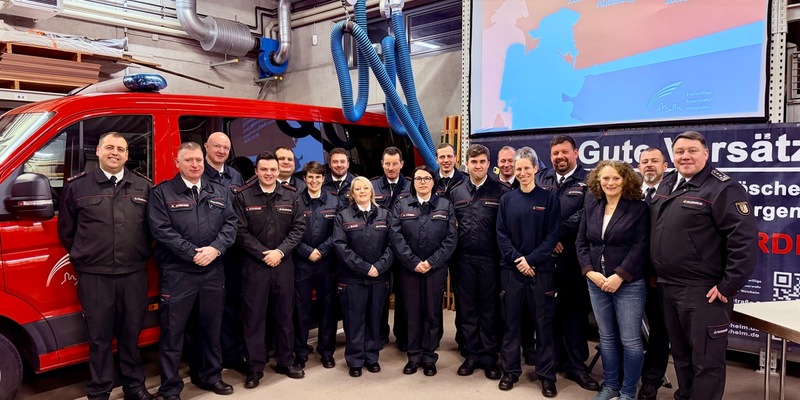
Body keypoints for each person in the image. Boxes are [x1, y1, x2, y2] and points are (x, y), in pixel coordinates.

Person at [650, 131, 757, 400]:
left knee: (706, 362)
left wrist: (728, 286)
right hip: (667, 287)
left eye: (692, 151)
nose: (685, 156)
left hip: (703, 292)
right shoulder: (667, 183)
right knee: (681, 355)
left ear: (706, 154)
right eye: (679, 151)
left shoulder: (723, 188)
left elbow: (743, 242)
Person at [57, 132, 155, 400]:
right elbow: (66, 231)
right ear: (98, 151)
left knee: (131, 335)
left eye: (121, 149)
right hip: (95, 277)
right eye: (110, 147)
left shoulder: (143, 187)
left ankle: (134, 387)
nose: (115, 153)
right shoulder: (78, 187)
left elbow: (152, 231)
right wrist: (87, 257)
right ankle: (100, 390)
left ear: (127, 155)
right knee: (99, 338)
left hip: (133, 275)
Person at [148, 142, 238, 399]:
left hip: (212, 271)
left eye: (198, 160)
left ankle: (211, 376)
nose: (195, 164)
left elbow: (231, 224)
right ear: (177, 163)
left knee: (211, 328)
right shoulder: (162, 193)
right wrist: (193, 253)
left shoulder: (220, 192)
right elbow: (161, 230)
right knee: (173, 333)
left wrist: (215, 249)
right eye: (188, 160)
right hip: (178, 273)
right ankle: (170, 388)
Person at [576, 160, 650, 400]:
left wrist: (620, 275)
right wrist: (589, 271)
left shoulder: (639, 208)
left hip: (628, 284)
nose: (610, 183)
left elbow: (641, 246)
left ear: (625, 180)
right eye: (605, 178)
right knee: (606, 338)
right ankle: (610, 386)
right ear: (598, 181)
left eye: (616, 178)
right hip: (596, 281)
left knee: (630, 340)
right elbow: (581, 243)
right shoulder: (592, 207)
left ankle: (628, 392)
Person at [234, 151, 306, 388]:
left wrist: (280, 252)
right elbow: (239, 231)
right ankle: (255, 368)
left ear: (278, 171)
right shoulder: (243, 196)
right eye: (264, 169)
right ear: (256, 171)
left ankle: (286, 361)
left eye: (273, 169)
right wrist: (264, 253)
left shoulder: (291, 196)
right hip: (254, 266)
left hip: (283, 265)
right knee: (254, 318)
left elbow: (298, 228)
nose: (269, 173)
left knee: (284, 315)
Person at [495, 147, 561, 397]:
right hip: (512, 272)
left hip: (541, 272)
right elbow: (501, 235)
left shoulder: (549, 199)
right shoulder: (507, 200)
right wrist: (518, 260)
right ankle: (510, 371)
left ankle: (547, 376)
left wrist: (531, 260)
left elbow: (552, 235)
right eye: (518, 168)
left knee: (543, 325)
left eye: (526, 168)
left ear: (535, 169)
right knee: (511, 324)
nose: (522, 173)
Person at [536, 135, 598, 391]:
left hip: (574, 258)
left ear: (576, 153)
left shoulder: (589, 180)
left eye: (564, 152)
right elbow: (532, 210)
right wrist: (549, 240)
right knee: (547, 315)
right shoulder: (542, 178)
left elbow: (587, 213)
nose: (559, 157)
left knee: (574, 314)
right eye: (555, 154)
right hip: (546, 259)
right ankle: (550, 363)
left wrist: (556, 234)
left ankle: (576, 367)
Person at [449, 144, 509, 380]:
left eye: (482, 161)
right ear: (466, 164)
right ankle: (472, 354)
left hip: (490, 259)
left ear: (489, 163)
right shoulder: (456, 192)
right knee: (467, 308)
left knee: (489, 309)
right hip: (463, 260)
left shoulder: (501, 191)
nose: (478, 166)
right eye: (474, 162)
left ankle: (489, 356)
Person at [390, 165, 457, 376]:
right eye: (418, 179)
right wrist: (413, 262)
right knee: (411, 312)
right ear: (413, 182)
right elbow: (396, 236)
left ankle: (429, 357)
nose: (422, 182)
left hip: (435, 269)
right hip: (409, 269)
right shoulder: (401, 205)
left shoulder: (445, 205)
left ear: (433, 182)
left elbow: (451, 238)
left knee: (432, 311)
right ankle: (413, 356)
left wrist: (431, 262)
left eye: (427, 178)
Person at [333, 176, 394, 377]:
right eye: (357, 189)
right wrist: (365, 268)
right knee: (354, 320)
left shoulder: (385, 215)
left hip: (379, 277)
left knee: (375, 319)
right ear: (352, 193)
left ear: (371, 192)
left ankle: (372, 357)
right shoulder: (343, 216)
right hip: (352, 278)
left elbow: (393, 244)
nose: (361, 192)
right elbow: (340, 246)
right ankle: (355, 360)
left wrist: (380, 266)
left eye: (365, 188)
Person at [201, 132, 246, 373]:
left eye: (225, 147)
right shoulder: (198, 173)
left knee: (231, 304)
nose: (221, 151)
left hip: (233, 251)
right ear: (206, 147)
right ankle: (209, 361)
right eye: (216, 146)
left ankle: (231, 354)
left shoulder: (235, 175)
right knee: (208, 309)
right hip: (207, 251)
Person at [293, 161, 341, 369]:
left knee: (327, 308)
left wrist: (321, 251)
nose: (314, 181)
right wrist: (307, 251)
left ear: (323, 179)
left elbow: (338, 232)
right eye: (310, 177)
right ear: (305, 179)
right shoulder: (295, 200)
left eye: (318, 177)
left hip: (326, 263)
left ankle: (326, 351)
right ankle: (300, 351)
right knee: (300, 308)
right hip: (301, 262)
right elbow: (290, 232)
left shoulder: (334, 201)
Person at [636, 147, 672, 400]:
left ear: (665, 166)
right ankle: (623, 376)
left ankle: (651, 381)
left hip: (658, 277)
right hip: (627, 274)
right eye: (645, 161)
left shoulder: (673, 194)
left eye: (654, 161)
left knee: (660, 329)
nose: (649, 165)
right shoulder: (629, 193)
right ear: (639, 167)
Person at [371, 146, 411, 349]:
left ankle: (403, 337)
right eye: (387, 163)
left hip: (404, 248)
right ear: (382, 164)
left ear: (401, 164)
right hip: (380, 249)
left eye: (395, 163)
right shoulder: (372, 186)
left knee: (404, 294)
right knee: (380, 295)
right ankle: (379, 335)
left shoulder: (411, 186)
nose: (391, 167)